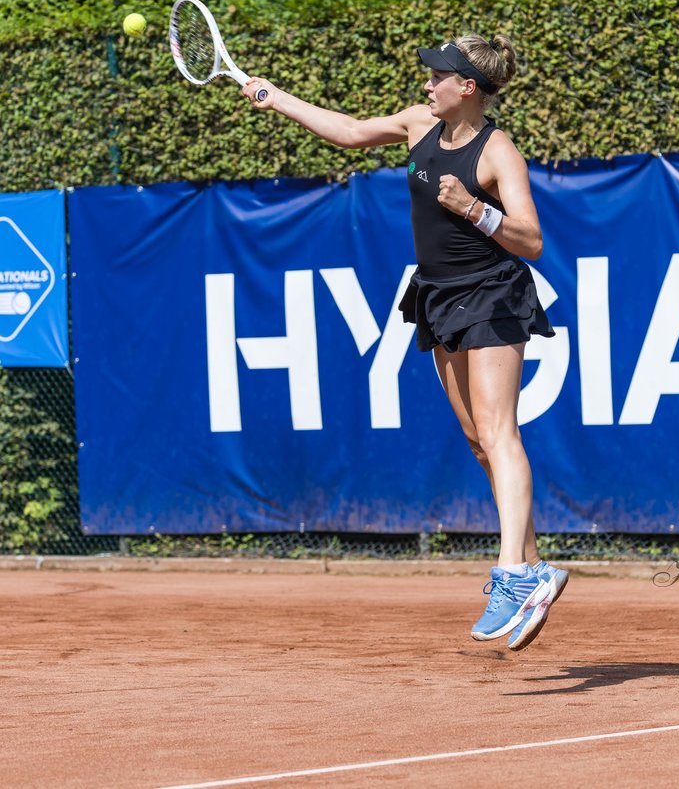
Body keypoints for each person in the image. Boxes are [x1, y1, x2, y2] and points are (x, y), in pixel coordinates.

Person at [241, 34, 568, 651]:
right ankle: (536, 568)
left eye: (437, 76)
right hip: (439, 293)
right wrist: (274, 96)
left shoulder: (498, 152)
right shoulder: (419, 127)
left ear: (467, 87)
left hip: (492, 292)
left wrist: (475, 210)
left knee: (501, 433)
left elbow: (530, 240)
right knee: (476, 441)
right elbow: (348, 132)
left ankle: (516, 575)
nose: (426, 84)